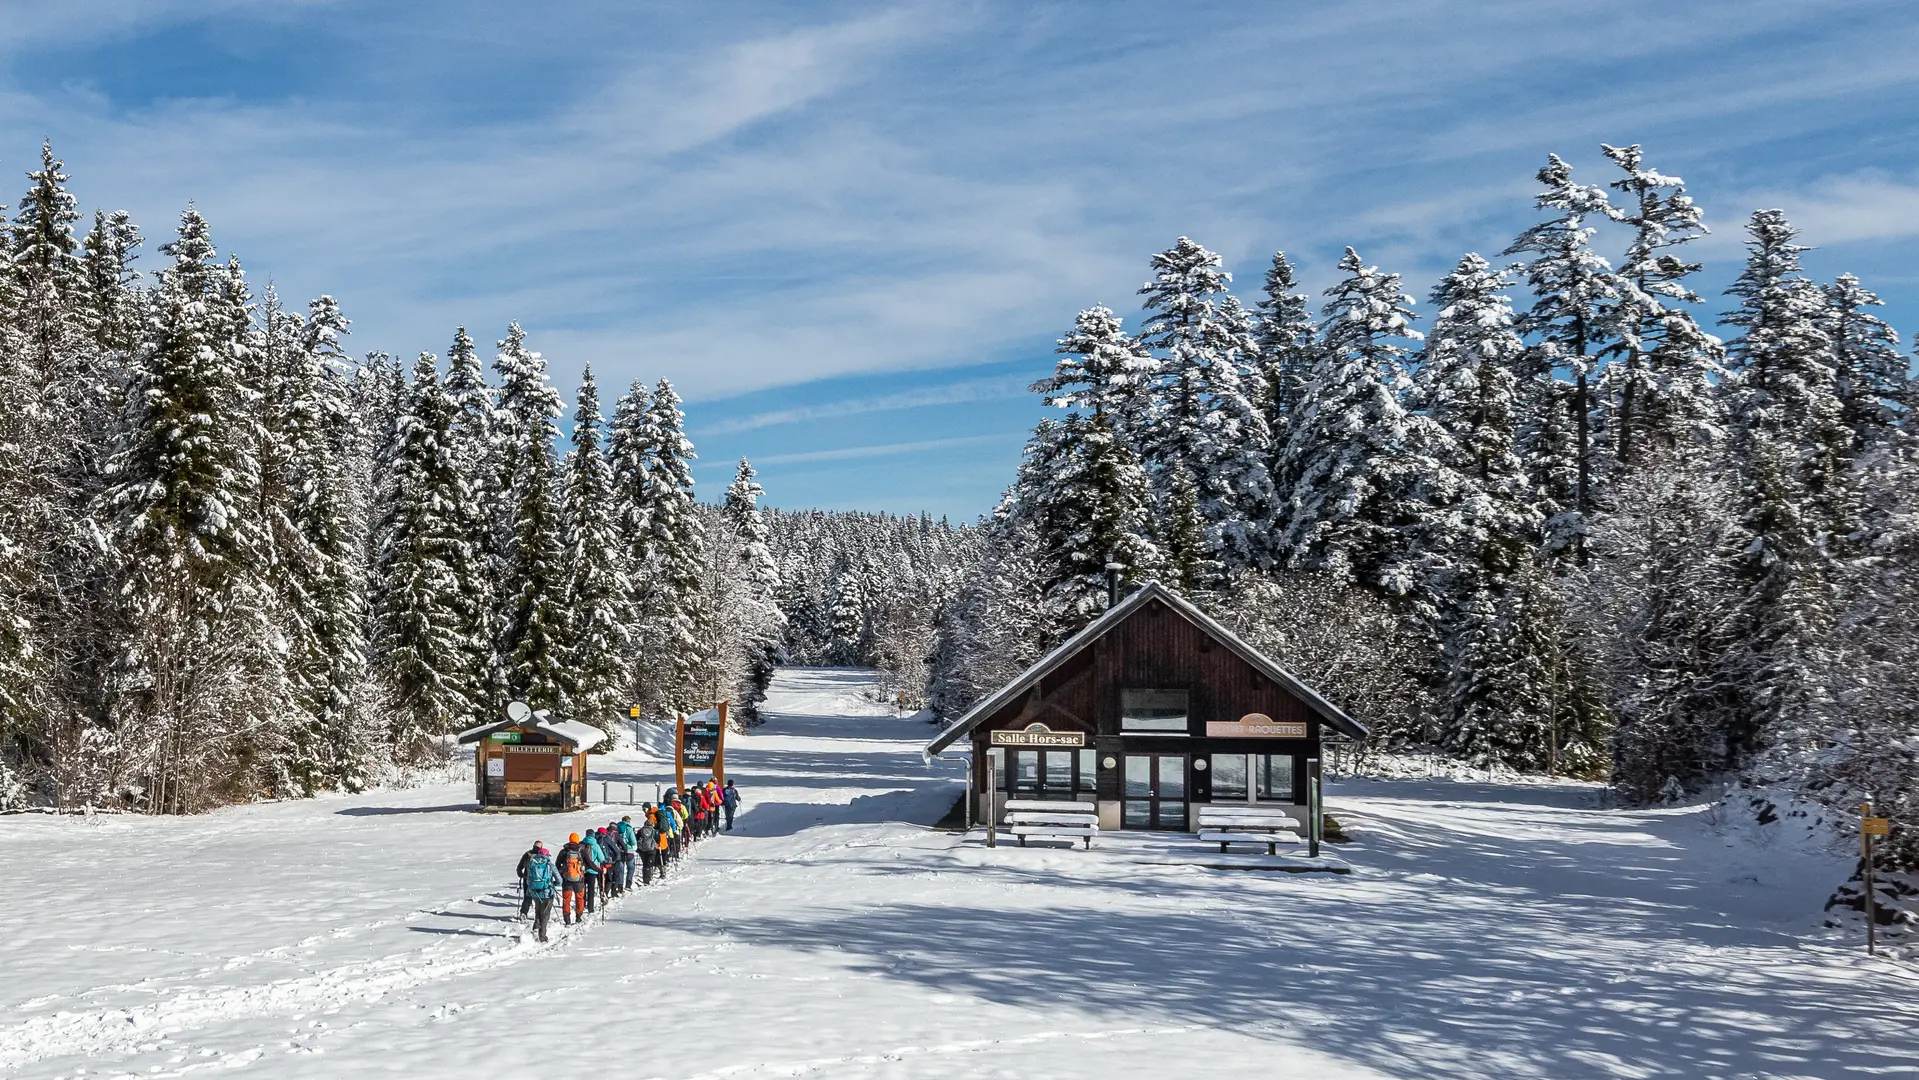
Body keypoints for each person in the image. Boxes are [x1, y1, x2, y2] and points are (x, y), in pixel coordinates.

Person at [521, 843, 558, 943]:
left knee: (538, 910)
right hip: (547, 891)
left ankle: (536, 928)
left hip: (535, 892)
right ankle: (542, 935)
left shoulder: (532, 863)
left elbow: (528, 879)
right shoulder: (549, 864)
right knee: (545, 914)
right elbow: (559, 879)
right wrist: (554, 884)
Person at [555, 833, 589, 927]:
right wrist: (598, 869)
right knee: (579, 898)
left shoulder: (564, 851)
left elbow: (557, 864)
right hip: (579, 879)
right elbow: (589, 862)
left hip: (566, 880)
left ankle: (567, 920)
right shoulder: (582, 850)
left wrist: (561, 873)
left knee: (566, 899)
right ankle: (578, 917)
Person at [580, 826, 608, 912]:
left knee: (583, 888)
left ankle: (582, 905)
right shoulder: (595, 845)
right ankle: (590, 908)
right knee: (591, 889)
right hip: (593, 870)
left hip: (582, 870)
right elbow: (601, 858)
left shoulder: (581, 844)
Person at [516, 840, 547, 917]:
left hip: (528, 879)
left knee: (527, 897)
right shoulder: (542, 856)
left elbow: (520, 867)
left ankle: (523, 913)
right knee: (540, 898)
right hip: (540, 881)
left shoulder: (527, 854)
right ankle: (540, 916)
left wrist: (521, 875)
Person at [637, 807, 662, 885]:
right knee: (649, 864)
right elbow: (658, 840)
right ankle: (647, 879)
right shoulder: (654, 831)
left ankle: (645, 878)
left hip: (642, 850)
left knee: (645, 864)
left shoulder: (640, 830)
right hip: (651, 849)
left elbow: (637, 838)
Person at [616, 816, 640, 890]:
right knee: (631, 868)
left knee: (620, 869)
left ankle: (620, 886)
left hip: (619, 850)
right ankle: (628, 884)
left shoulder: (617, 828)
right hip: (629, 850)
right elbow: (633, 842)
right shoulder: (629, 829)